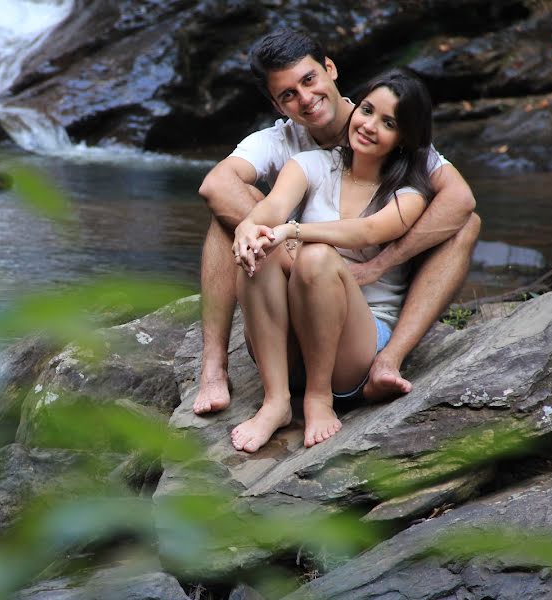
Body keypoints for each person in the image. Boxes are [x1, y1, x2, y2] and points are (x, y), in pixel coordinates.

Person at [192, 30, 479, 420]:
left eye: (309, 80)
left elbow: (460, 201)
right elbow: (217, 184)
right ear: (276, 104)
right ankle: (214, 368)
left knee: (463, 223)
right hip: (296, 280)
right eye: (288, 95)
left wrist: (378, 265)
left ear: (330, 69)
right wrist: (272, 237)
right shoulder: (290, 148)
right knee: (231, 220)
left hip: (358, 306)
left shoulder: (388, 129)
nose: (305, 99)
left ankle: (388, 360)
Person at [232, 69, 436, 451]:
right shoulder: (311, 165)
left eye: (388, 122)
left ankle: (319, 399)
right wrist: (250, 226)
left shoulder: (409, 194)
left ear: (406, 137)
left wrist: (292, 231)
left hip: (355, 348)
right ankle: (276, 401)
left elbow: (367, 232)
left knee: (317, 259)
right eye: (367, 110)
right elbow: (273, 207)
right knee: (261, 247)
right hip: (290, 342)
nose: (369, 125)